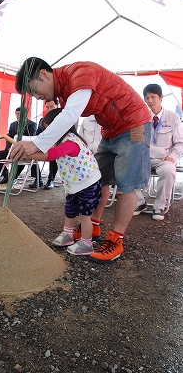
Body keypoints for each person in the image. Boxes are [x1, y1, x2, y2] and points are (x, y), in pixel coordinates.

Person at [11, 57, 152, 263]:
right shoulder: (63, 92)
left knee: (126, 185)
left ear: (43, 74)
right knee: (98, 177)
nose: (38, 97)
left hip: (134, 123)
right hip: (110, 130)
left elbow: (69, 116)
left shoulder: (80, 73)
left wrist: (38, 143)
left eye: (34, 90)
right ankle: (92, 226)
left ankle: (116, 239)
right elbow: (66, 125)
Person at [28, 108, 102, 255]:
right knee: (70, 210)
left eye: (51, 130)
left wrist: (29, 153)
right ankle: (68, 235)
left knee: (85, 215)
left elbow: (52, 155)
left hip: (88, 183)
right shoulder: (61, 140)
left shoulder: (70, 142)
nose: (49, 134)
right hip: (74, 185)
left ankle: (86, 244)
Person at [133, 84, 183, 221]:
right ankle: (140, 203)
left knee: (168, 171)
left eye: (153, 97)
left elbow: (180, 142)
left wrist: (173, 157)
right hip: (145, 158)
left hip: (164, 159)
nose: (150, 101)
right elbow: (135, 141)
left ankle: (159, 207)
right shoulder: (141, 118)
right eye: (147, 98)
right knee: (127, 169)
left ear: (161, 97)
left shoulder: (173, 117)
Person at [0, 107, 39, 185]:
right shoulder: (13, 124)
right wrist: (8, 147)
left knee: (24, 158)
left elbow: (32, 138)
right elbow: (8, 137)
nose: (18, 116)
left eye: (20, 114)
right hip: (12, 149)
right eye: (17, 114)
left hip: (25, 150)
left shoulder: (31, 124)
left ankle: (16, 177)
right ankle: (6, 175)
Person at [35, 99, 60, 190]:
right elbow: (37, 135)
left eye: (52, 107)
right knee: (31, 153)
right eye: (47, 107)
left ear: (57, 106)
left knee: (54, 153)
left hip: (58, 146)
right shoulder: (42, 120)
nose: (49, 109)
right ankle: (37, 179)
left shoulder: (62, 119)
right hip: (44, 145)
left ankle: (51, 179)